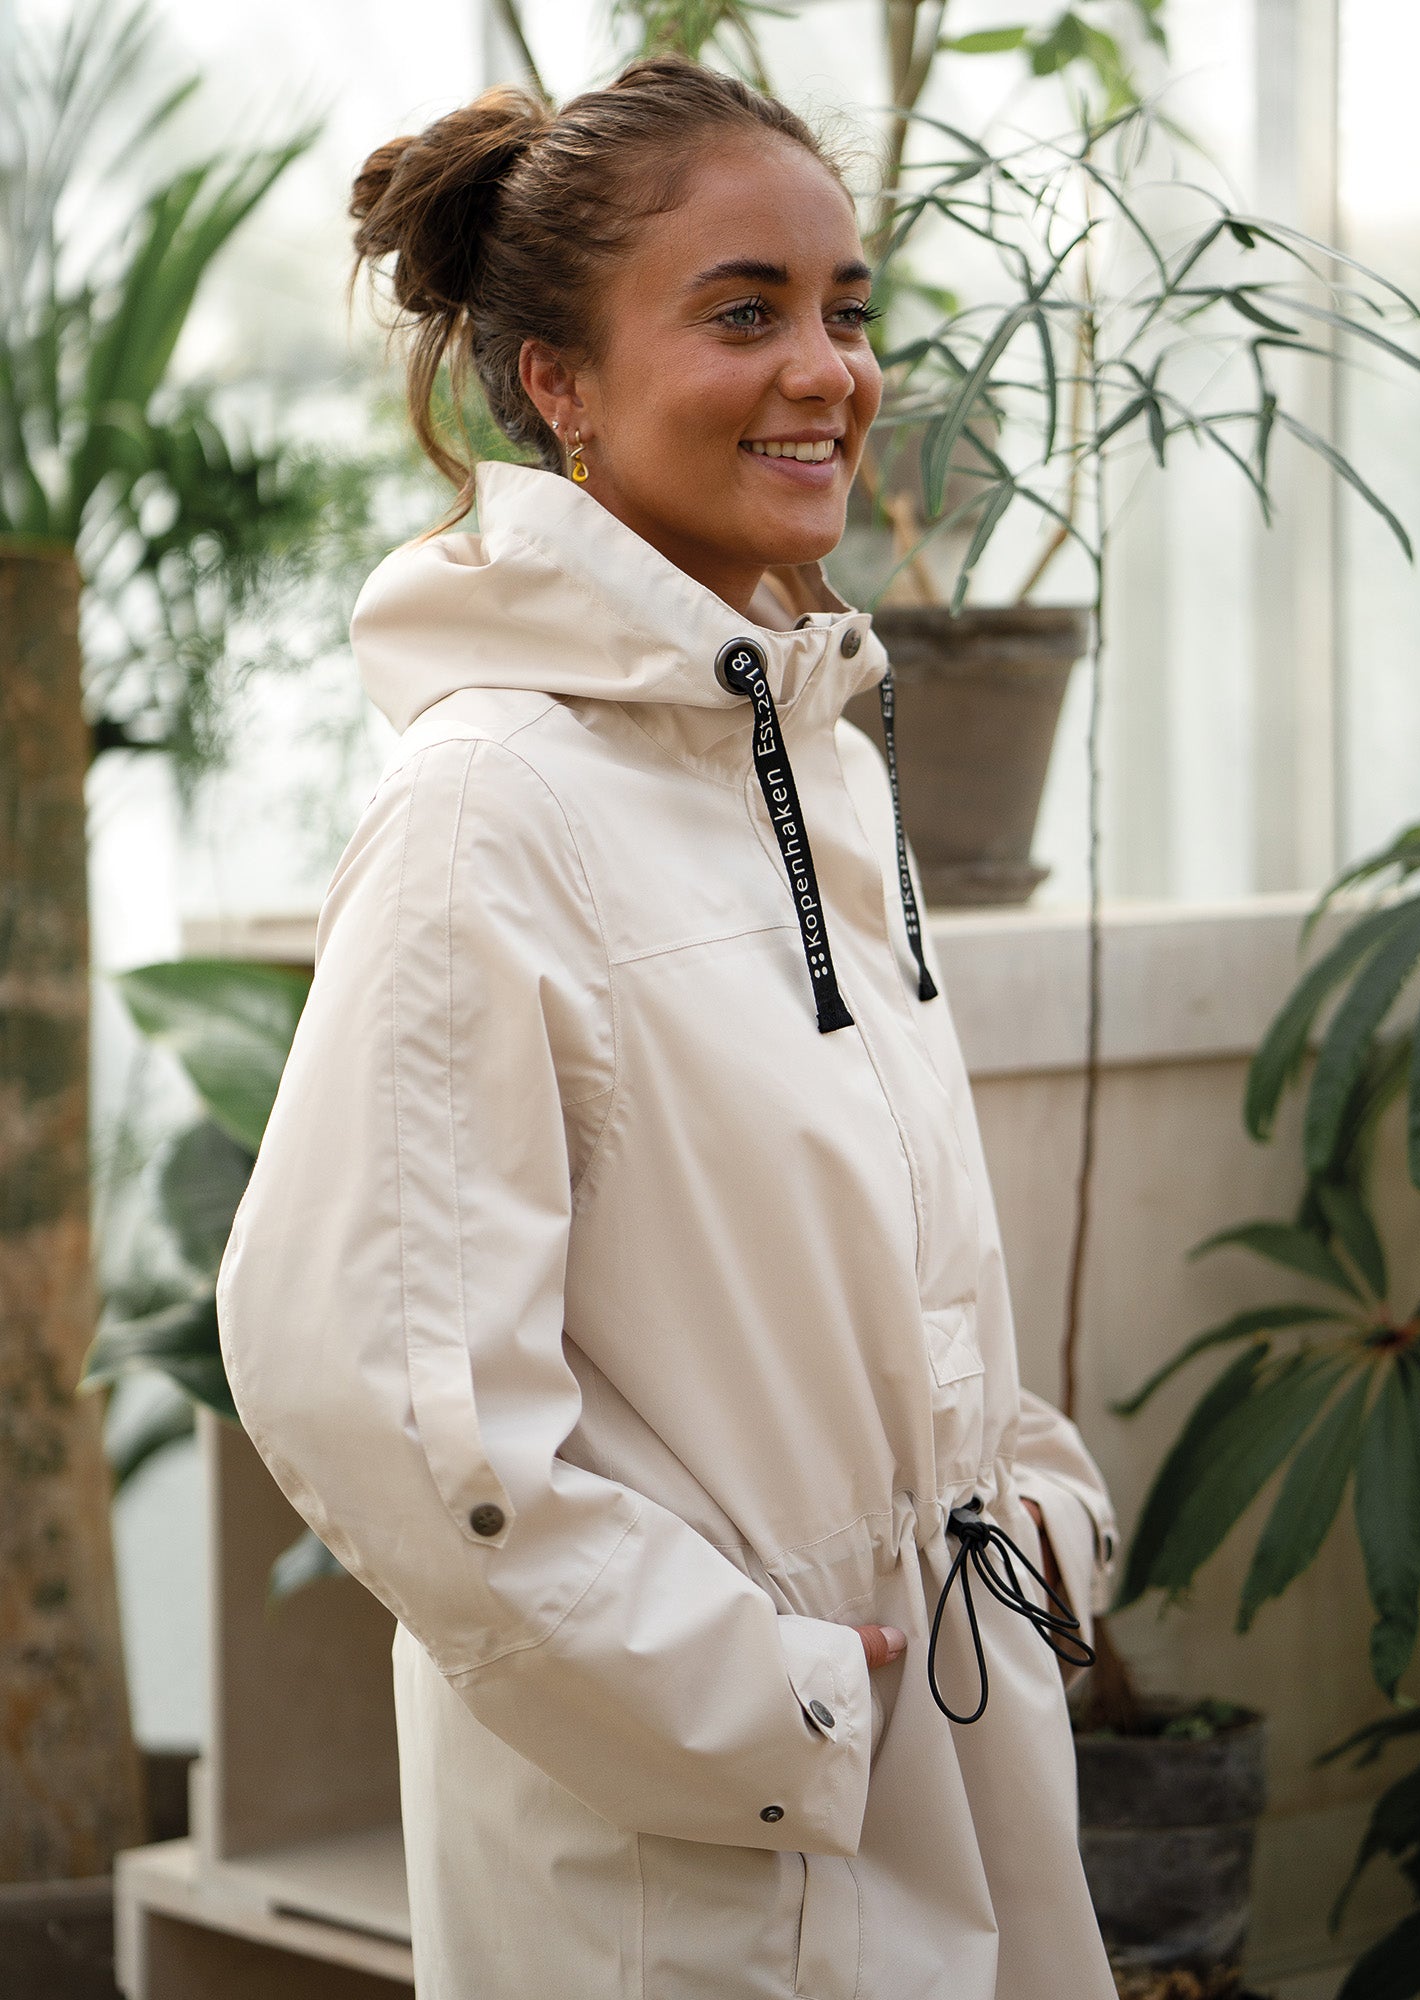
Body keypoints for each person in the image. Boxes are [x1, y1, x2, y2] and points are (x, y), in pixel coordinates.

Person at [215, 54, 1120, 2000]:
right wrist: (768, 1698)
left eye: (845, 310)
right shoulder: (489, 807)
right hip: (698, 1871)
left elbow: (899, 1256)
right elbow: (371, 1390)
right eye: (742, 312)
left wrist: (1035, 1513)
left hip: (948, 1757)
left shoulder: (820, 757)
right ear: (559, 382)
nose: (827, 371)